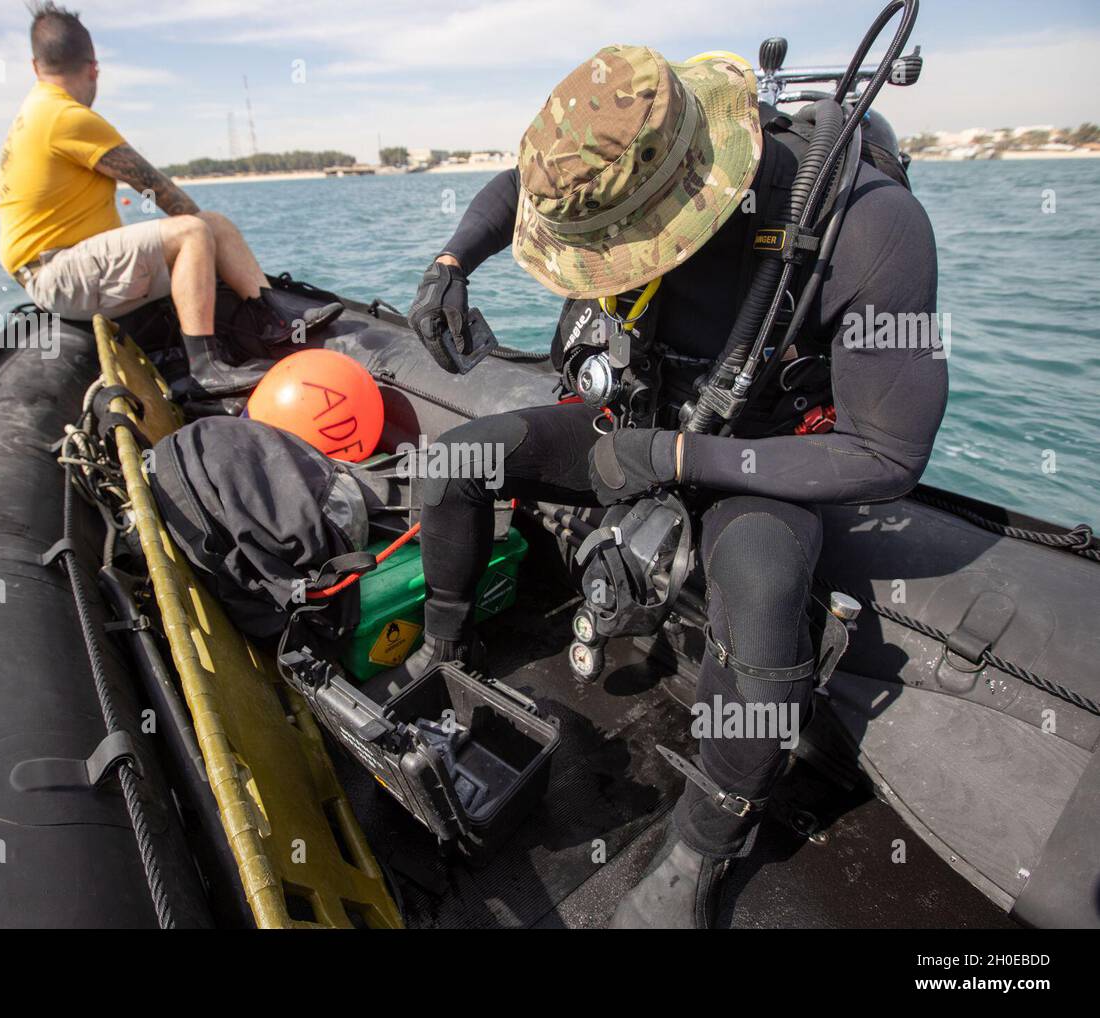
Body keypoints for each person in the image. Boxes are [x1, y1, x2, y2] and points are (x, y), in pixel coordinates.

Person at [400, 46, 946, 927]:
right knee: (454, 464)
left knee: (766, 597)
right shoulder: (617, 162)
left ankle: (703, 846)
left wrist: (676, 462)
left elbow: (886, 451)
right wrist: (451, 263)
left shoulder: (870, 225)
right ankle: (445, 655)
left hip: (760, 455)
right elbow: (517, 187)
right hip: (640, 418)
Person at [0, 3, 340, 397]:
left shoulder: (35, 112)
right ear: (93, 69)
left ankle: (271, 316)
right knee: (193, 230)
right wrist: (203, 248)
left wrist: (212, 237)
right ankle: (204, 370)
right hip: (57, 274)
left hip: (59, 268)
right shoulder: (66, 116)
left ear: (35, 66)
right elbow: (160, 191)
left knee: (212, 222)